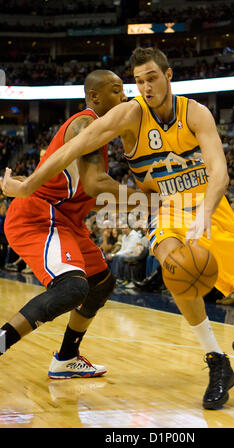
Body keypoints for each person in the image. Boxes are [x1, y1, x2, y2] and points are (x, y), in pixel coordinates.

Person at [1, 48, 234, 410]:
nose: (145, 87)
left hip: (209, 206)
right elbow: (74, 147)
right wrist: (26, 186)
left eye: (151, 78)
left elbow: (220, 172)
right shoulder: (130, 114)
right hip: (163, 209)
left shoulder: (195, 112)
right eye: (138, 81)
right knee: (175, 266)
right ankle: (217, 361)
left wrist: (204, 213)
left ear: (168, 75)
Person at [0, 69, 139, 379]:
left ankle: (66, 358)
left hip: (65, 220)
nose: (125, 97)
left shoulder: (98, 130)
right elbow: (95, 183)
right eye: (116, 91)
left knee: (101, 282)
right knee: (74, 287)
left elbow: (73, 184)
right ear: (94, 97)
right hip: (39, 216)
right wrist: (149, 198)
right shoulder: (86, 123)